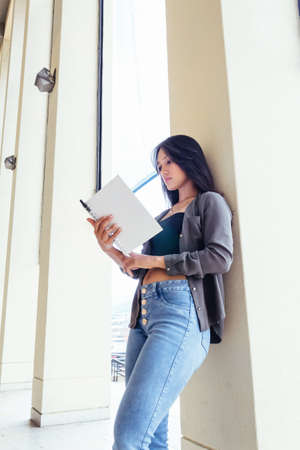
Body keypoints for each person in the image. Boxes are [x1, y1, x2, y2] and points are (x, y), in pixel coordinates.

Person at [87, 134, 234, 449]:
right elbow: (136, 267)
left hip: (180, 315)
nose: (163, 170)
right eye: (158, 166)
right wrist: (108, 248)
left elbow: (219, 257)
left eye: (169, 161)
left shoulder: (209, 202)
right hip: (141, 317)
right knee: (151, 435)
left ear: (189, 159)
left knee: (128, 434)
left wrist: (153, 259)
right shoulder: (159, 218)